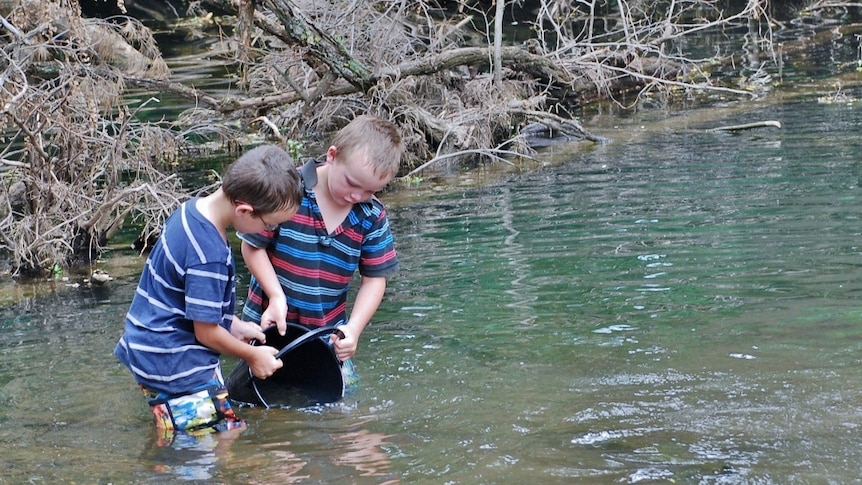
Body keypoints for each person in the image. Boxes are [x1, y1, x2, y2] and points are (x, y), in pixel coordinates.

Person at [114, 144, 304, 442]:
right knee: (211, 439)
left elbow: (182, 298)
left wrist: (233, 323)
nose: (268, 231)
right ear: (244, 210)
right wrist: (253, 355)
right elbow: (205, 333)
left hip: (152, 345)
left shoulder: (192, 211)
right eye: (269, 225)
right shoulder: (209, 254)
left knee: (217, 429)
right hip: (172, 359)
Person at [239, 115, 403, 392]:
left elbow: (375, 279)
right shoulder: (288, 190)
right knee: (255, 397)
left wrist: (353, 329)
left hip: (325, 335)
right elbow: (252, 246)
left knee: (342, 405)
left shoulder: (371, 215)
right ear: (332, 156)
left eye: (369, 191)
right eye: (351, 183)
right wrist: (276, 296)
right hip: (266, 326)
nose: (356, 196)